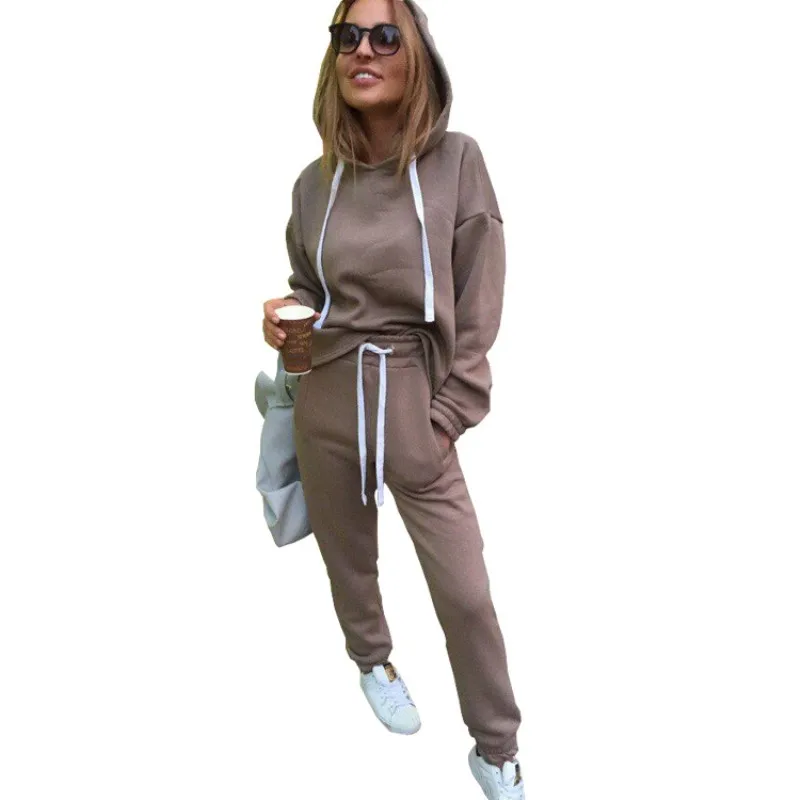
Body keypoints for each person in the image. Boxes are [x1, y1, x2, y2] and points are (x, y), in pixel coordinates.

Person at [261, 1, 524, 797]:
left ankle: (496, 747)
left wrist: (446, 415)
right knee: (348, 560)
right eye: (347, 36)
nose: (363, 50)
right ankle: (371, 659)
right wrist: (286, 322)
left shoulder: (457, 163)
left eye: (384, 36)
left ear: (417, 57)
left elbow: (480, 296)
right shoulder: (313, 185)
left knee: (466, 595)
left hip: (415, 402)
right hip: (327, 398)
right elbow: (309, 286)